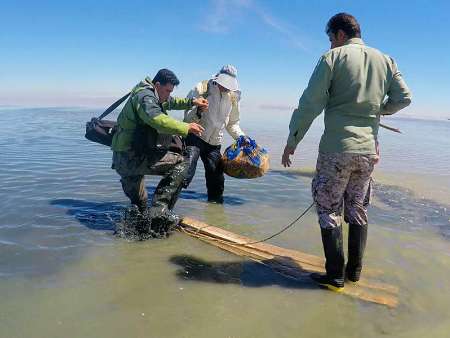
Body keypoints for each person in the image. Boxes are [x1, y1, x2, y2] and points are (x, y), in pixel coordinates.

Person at [281, 13, 411, 291]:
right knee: (357, 208)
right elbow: (404, 98)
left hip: (336, 150)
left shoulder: (332, 59)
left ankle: (335, 275)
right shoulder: (387, 60)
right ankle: (354, 273)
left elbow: (309, 104)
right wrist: (378, 109)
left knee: (328, 208)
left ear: (340, 34)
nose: (330, 45)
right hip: (368, 152)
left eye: (330, 39)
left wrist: (292, 141)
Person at [111, 69, 208, 230]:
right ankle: (160, 210)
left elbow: (172, 102)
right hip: (131, 158)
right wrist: (186, 127)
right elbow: (157, 120)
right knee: (182, 162)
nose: (169, 94)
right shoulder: (145, 97)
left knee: (139, 208)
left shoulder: (153, 94)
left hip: (125, 158)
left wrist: (193, 102)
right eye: (167, 90)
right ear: (157, 85)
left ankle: (140, 234)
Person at [183, 65, 246, 203]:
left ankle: (215, 212)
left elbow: (232, 123)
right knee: (185, 173)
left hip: (214, 144)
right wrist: (198, 111)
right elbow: (187, 118)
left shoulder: (234, 97)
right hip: (195, 137)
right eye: (224, 84)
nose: (227, 88)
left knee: (217, 181)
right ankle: (164, 207)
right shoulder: (202, 89)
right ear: (217, 79)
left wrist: (242, 138)